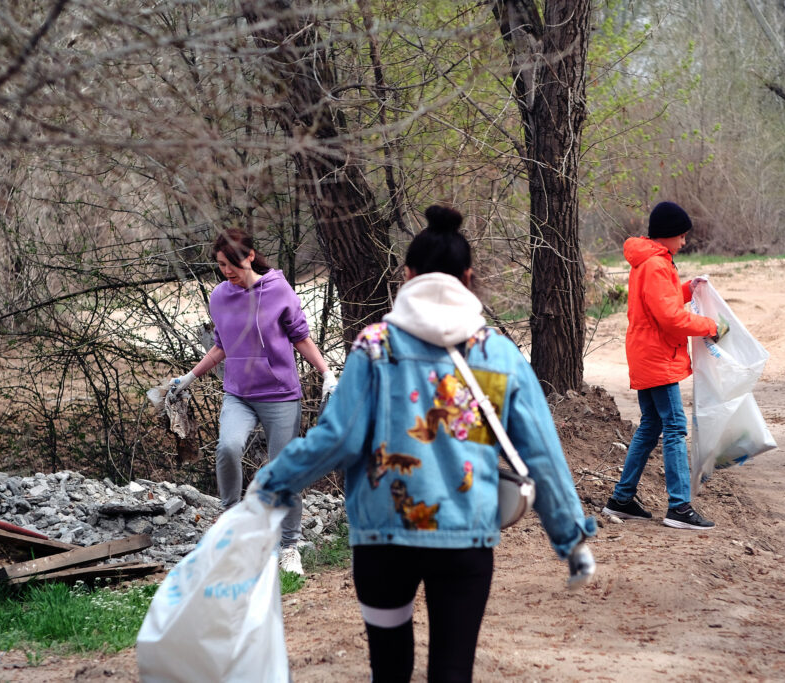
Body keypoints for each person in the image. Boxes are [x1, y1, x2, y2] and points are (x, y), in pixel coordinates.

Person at [254, 205, 597, 682]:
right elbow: (540, 451)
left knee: (390, 671)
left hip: (382, 540)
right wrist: (570, 538)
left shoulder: (374, 347)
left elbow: (339, 439)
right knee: (452, 672)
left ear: (407, 276)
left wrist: (274, 483)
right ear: (469, 278)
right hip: (465, 540)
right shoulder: (496, 353)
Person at [166, 228, 336, 576]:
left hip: (280, 395)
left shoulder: (278, 291)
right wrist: (189, 378)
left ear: (249, 256)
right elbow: (222, 346)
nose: (226, 271)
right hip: (239, 395)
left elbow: (300, 337)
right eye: (220, 265)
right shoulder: (220, 297)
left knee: (283, 469)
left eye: (231, 264)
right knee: (227, 448)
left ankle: (289, 546)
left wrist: (327, 372)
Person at [601, 201, 728, 530]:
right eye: (681, 236)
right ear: (667, 236)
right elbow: (670, 318)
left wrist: (690, 288)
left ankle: (622, 499)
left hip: (647, 354)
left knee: (651, 426)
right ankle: (679, 506)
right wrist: (710, 327)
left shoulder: (649, 261)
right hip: (657, 357)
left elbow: (663, 301)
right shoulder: (656, 264)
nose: (684, 242)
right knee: (674, 426)